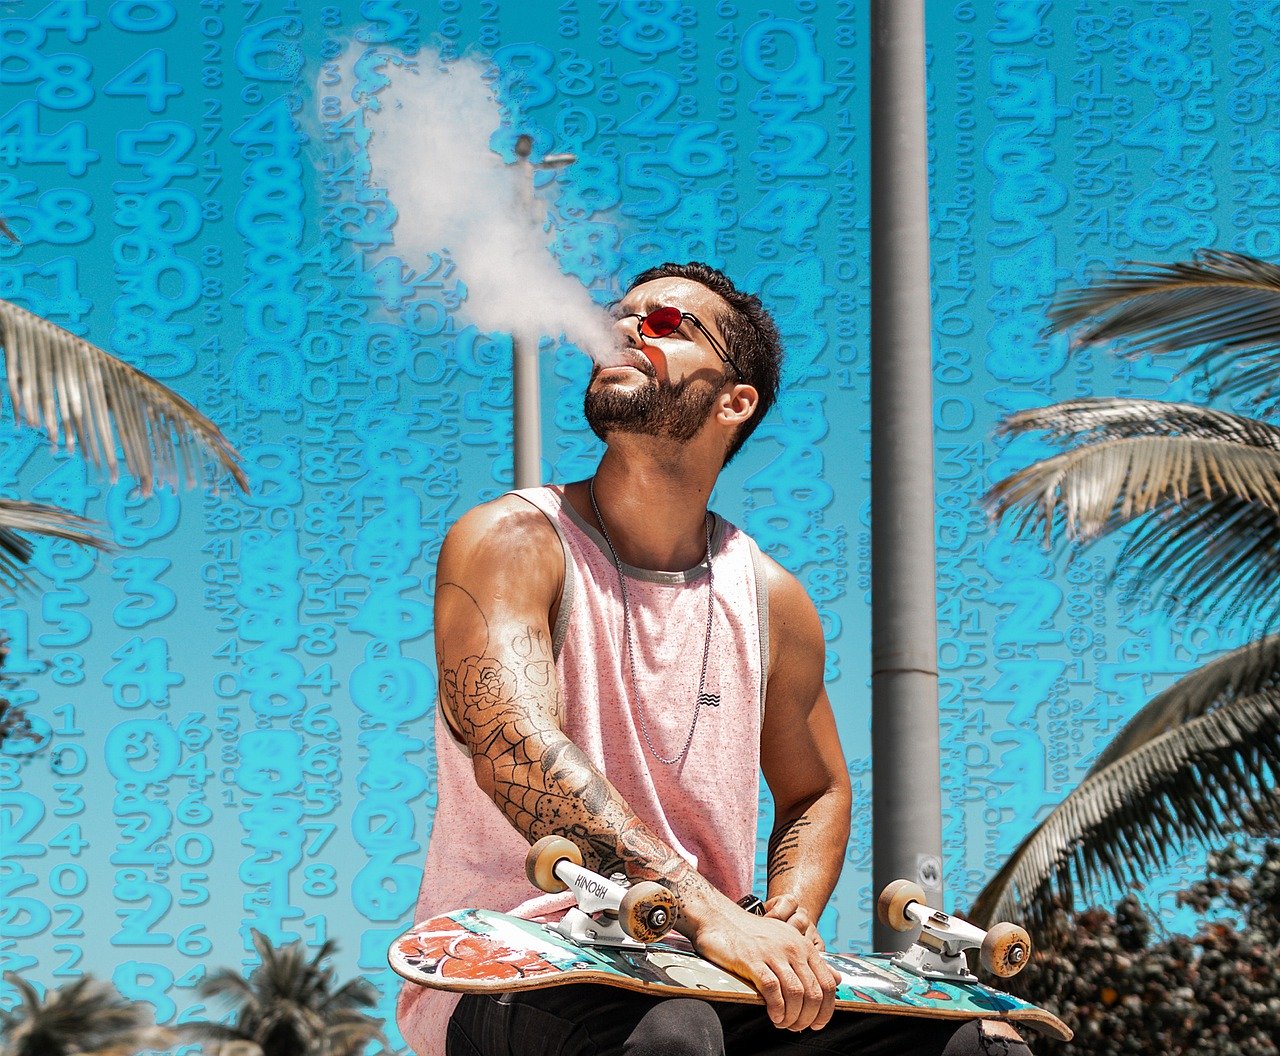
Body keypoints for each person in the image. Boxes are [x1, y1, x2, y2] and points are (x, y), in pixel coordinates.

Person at [397, 262, 1032, 1056]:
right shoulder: (510, 541)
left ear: (735, 402)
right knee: (673, 1037)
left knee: (978, 1046)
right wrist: (707, 909)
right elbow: (513, 749)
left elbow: (818, 788)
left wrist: (786, 920)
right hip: (514, 963)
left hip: (705, 962)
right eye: (618, 316)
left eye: (665, 325)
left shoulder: (771, 600)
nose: (624, 329)